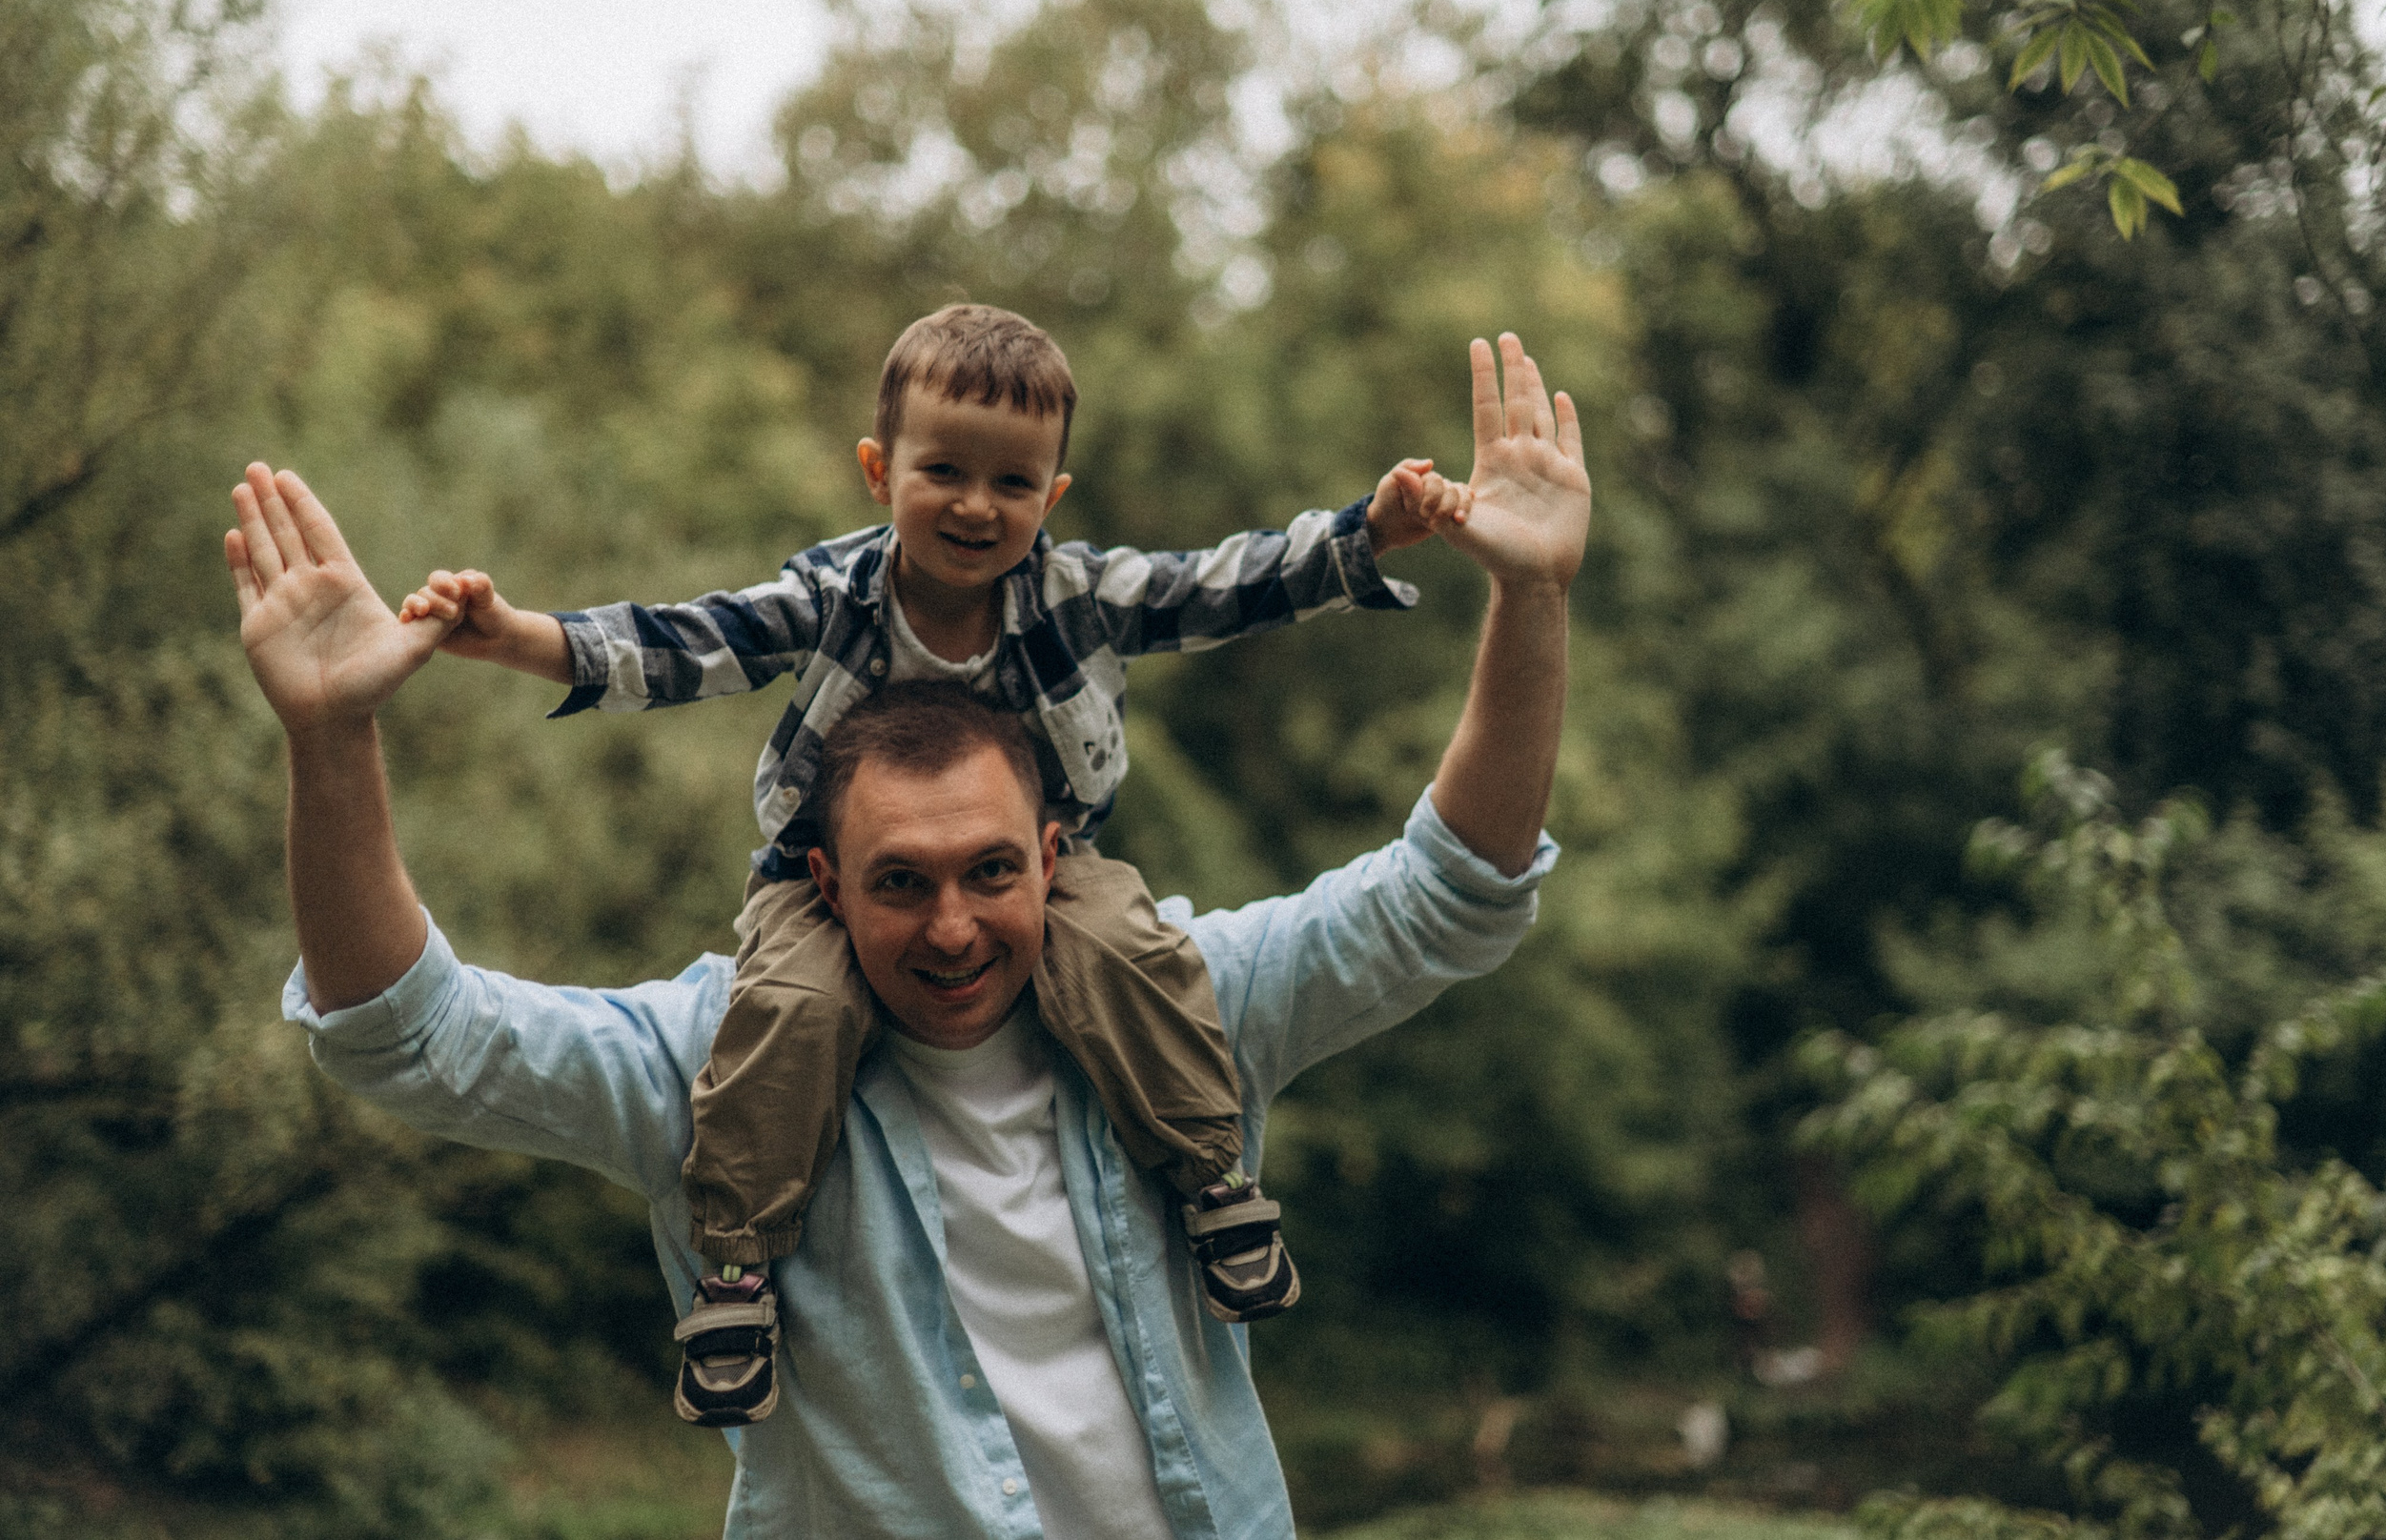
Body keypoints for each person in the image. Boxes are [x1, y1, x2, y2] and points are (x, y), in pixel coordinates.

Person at [224, 331, 1589, 1540]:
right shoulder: (719, 1052)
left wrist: (1518, 592)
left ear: (1054, 853)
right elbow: (408, 1038)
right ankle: (737, 1282)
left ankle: (1219, 1195)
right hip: (776, 1026)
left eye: (992, 872)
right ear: (828, 879)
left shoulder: (1184, 996)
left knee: (1132, 963)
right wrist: (338, 737)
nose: (952, 929)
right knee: (793, 1023)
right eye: (898, 884)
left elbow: (1448, 887)